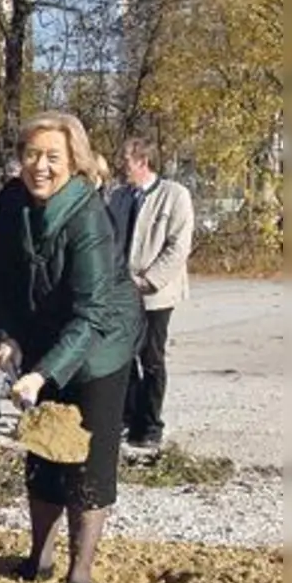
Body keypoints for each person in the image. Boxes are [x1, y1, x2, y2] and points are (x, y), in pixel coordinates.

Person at [0, 111, 143, 583]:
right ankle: (39, 557)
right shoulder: (12, 202)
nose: (40, 167)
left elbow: (91, 313)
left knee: (87, 460)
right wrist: (6, 337)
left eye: (53, 156)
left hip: (100, 346)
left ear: (73, 161)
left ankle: (79, 576)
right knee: (44, 449)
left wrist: (41, 373)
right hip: (44, 340)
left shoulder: (89, 216)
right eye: (32, 155)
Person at [108, 137, 194, 449]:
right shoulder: (118, 197)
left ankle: (151, 424)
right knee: (123, 356)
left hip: (157, 294)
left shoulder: (175, 196)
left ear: (142, 162)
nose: (121, 167)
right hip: (123, 292)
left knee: (152, 358)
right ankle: (128, 418)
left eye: (126, 162)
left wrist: (149, 280)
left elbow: (178, 246)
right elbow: (110, 240)